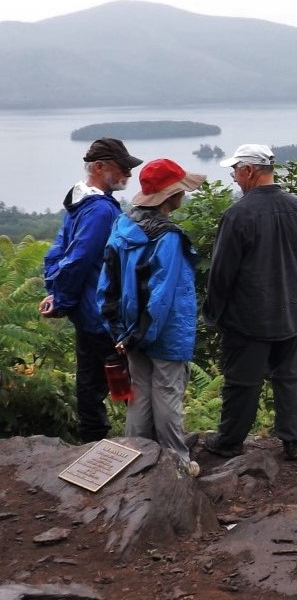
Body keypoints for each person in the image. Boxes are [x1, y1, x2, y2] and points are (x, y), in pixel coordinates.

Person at [202, 145, 297, 461]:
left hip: (249, 317)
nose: (235, 178)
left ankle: (230, 440)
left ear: (249, 171)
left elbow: (222, 272)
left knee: (242, 382)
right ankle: (293, 441)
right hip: (292, 313)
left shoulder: (238, 214)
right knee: (290, 377)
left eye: (235, 171)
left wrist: (213, 313)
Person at [97, 159, 205, 476]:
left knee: (140, 393)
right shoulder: (168, 237)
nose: (183, 195)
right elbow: (163, 294)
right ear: (170, 196)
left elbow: (107, 285)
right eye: (180, 190)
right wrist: (145, 333)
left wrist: (122, 332)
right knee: (168, 394)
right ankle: (178, 465)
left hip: (130, 329)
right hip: (165, 331)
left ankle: (134, 459)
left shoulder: (123, 227)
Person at [41, 138, 143, 442]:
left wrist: (59, 295)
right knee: (123, 376)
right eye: (122, 167)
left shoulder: (79, 203)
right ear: (99, 167)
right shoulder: (101, 210)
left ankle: (93, 441)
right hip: (102, 311)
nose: (128, 173)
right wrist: (61, 298)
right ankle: (139, 441)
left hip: (84, 312)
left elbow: (57, 254)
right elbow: (81, 258)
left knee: (89, 380)